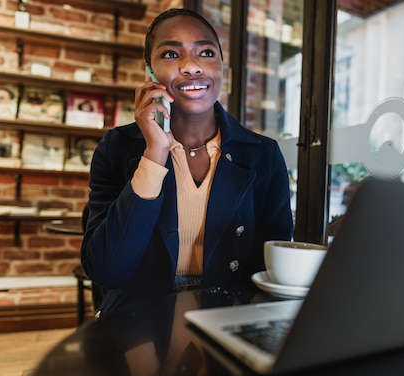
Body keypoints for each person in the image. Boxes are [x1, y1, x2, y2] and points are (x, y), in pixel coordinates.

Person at [81, 8, 294, 315]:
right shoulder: (116, 149)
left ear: (223, 69)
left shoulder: (263, 154)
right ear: (150, 75)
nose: (192, 66)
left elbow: (270, 267)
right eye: (170, 54)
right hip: (138, 321)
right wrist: (155, 152)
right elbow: (106, 269)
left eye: (206, 52)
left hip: (229, 316)